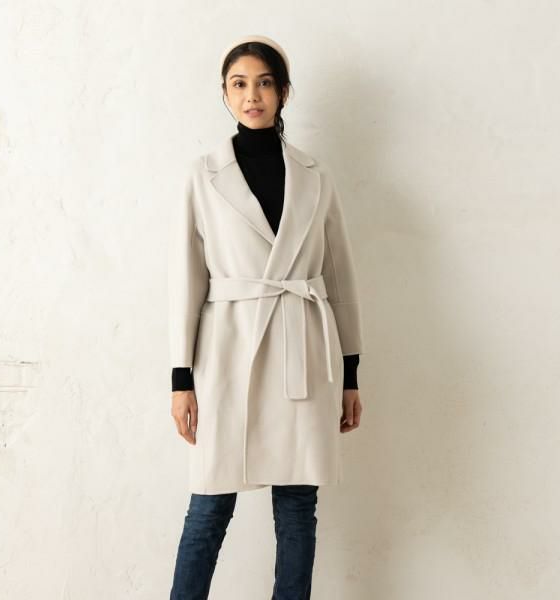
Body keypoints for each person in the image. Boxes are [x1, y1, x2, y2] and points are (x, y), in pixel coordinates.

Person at [168, 34, 365, 599]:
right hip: (227, 353)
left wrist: (351, 374)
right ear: (225, 94)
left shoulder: (315, 175)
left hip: (303, 352)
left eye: (264, 83)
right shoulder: (203, 175)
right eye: (239, 84)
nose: (251, 95)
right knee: (210, 504)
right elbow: (187, 280)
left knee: (298, 505)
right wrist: (181, 379)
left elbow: (339, 277)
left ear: (283, 92)